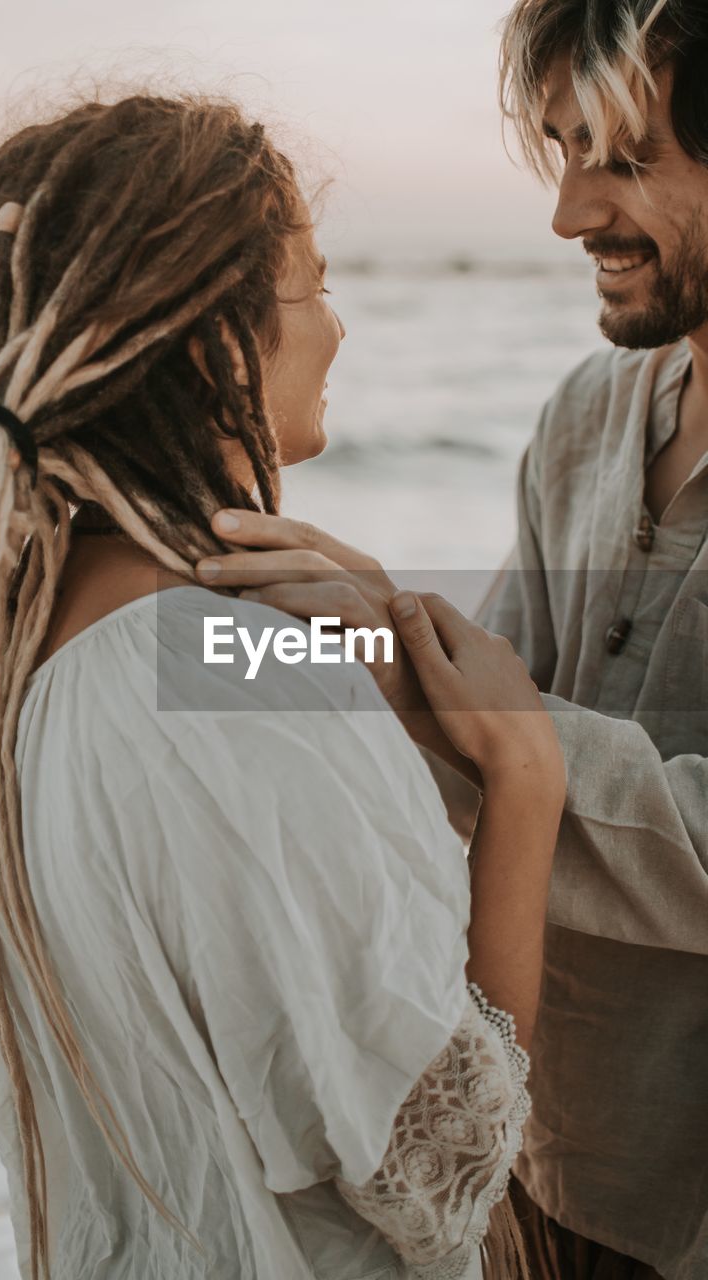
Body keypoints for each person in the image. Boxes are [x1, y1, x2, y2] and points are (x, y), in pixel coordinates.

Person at [0, 95, 567, 1279]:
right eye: (313, 283)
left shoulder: (15, 645)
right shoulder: (229, 675)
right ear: (217, 345)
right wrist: (522, 771)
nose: (338, 330)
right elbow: (437, 1158)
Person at [206, 3, 708, 1278]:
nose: (569, 213)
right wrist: (266, 648)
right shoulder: (592, 413)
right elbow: (484, 737)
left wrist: (445, 684)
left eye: (627, 160)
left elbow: (512, 737)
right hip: (537, 1156)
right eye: (562, 151)